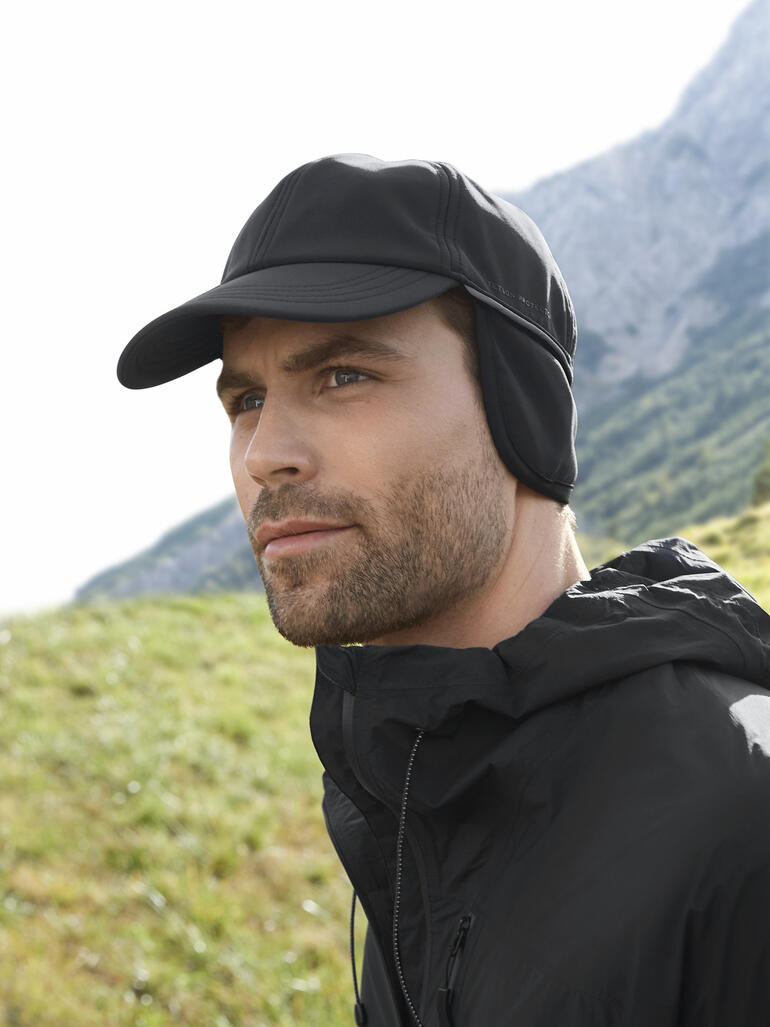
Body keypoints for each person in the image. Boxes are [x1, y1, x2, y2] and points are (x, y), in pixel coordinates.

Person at [117, 153, 770, 1026]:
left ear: (524, 409)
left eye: (344, 375)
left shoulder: (741, 819)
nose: (264, 451)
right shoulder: (411, 780)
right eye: (245, 399)